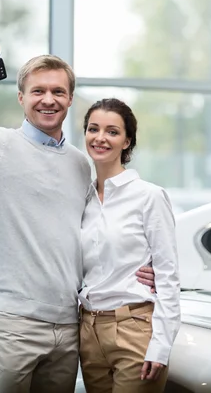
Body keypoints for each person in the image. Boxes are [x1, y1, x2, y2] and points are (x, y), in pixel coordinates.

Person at [0, 40, 154, 393]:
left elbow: (94, 235)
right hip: (13, 324)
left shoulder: (80, 163)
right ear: (21, 98)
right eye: (38, 91)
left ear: (70, 99)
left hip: (69, 327)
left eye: (58, 91)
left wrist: (140, 267)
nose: (49, 99)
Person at [78, 98, 181, 393]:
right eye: (93, 129)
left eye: (112, 132)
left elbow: (168, 276)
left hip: (134, 327)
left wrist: (160, 345)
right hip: (88, 330)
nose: (100, 138)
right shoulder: (81, 198)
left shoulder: (149, 196)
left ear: (127, 142)